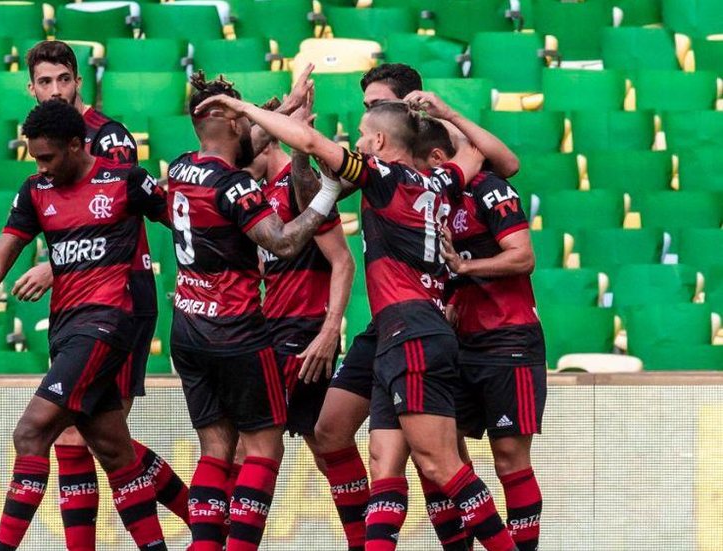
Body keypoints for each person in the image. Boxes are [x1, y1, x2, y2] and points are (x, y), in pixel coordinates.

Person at [193, 94, 518, 551]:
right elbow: (479, 151)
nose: (360, 143)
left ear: (380, 140)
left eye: (364, 136)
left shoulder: (382, 175)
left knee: (441, 464)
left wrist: (245, 112)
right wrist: (448, 113)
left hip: (413, 330)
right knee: (382, 459)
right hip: (401, 331)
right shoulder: (441, 180)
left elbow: (308, 139)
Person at [0, 100, 170, 551]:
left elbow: (191, 223)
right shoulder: (36, 191)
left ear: (76, 145)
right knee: (114, 450)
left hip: (108, 323)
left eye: (48, 157)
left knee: (30, 432)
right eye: (35, 158)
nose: (41, 166)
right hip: (67, 329)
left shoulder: (125, 180)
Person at [310, 63, 521, 551]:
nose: (367, 119)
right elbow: (325, 177)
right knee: (340, 434)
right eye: (366, 110)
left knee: (436, 463)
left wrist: (446, 113)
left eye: (376, 108)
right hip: (389, 325)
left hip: (419, 321)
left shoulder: (428, 151)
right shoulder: (391, 167)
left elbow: (503, 162)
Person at [11, 41, 190, 548]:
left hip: (122, 292)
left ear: (78, 81)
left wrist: (53, 264)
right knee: (96, 435)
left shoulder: (108, 138)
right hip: (79, 299)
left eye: (62, 79)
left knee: (85, 434)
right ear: (31, 88)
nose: (55, 90)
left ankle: (199, 521)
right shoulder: (45, 142)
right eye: (44, 82)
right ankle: (200, 519)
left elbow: (111, 209)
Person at [170, 72, 339, 551]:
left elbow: (245, 141)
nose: (248, 123)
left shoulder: (181, 168)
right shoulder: (235, 188)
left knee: (216, 449)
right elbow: (283, 242)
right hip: (237, 331)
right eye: (239, 115)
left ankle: (205, 546)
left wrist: (283, 110)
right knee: (264, 447)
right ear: (225, 120)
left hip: (187, 326)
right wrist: (326, 194)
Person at [416, 118, 545, 551]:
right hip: (459, 342)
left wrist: (465, 269)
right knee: (440, 457)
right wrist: (453, 293)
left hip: (509, 339)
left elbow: (522, 257)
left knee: (509, 458)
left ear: (440, 157)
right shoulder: (437, 199)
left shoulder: (490, 188)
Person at [238, 95, 355, 505]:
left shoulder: (299, 185)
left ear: (270, 144)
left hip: (302, 333)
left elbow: (343, 261)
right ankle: (370, 530)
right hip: (275, 327)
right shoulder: (263, 192)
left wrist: (328, 333)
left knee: (248, 446)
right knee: (324, 445)